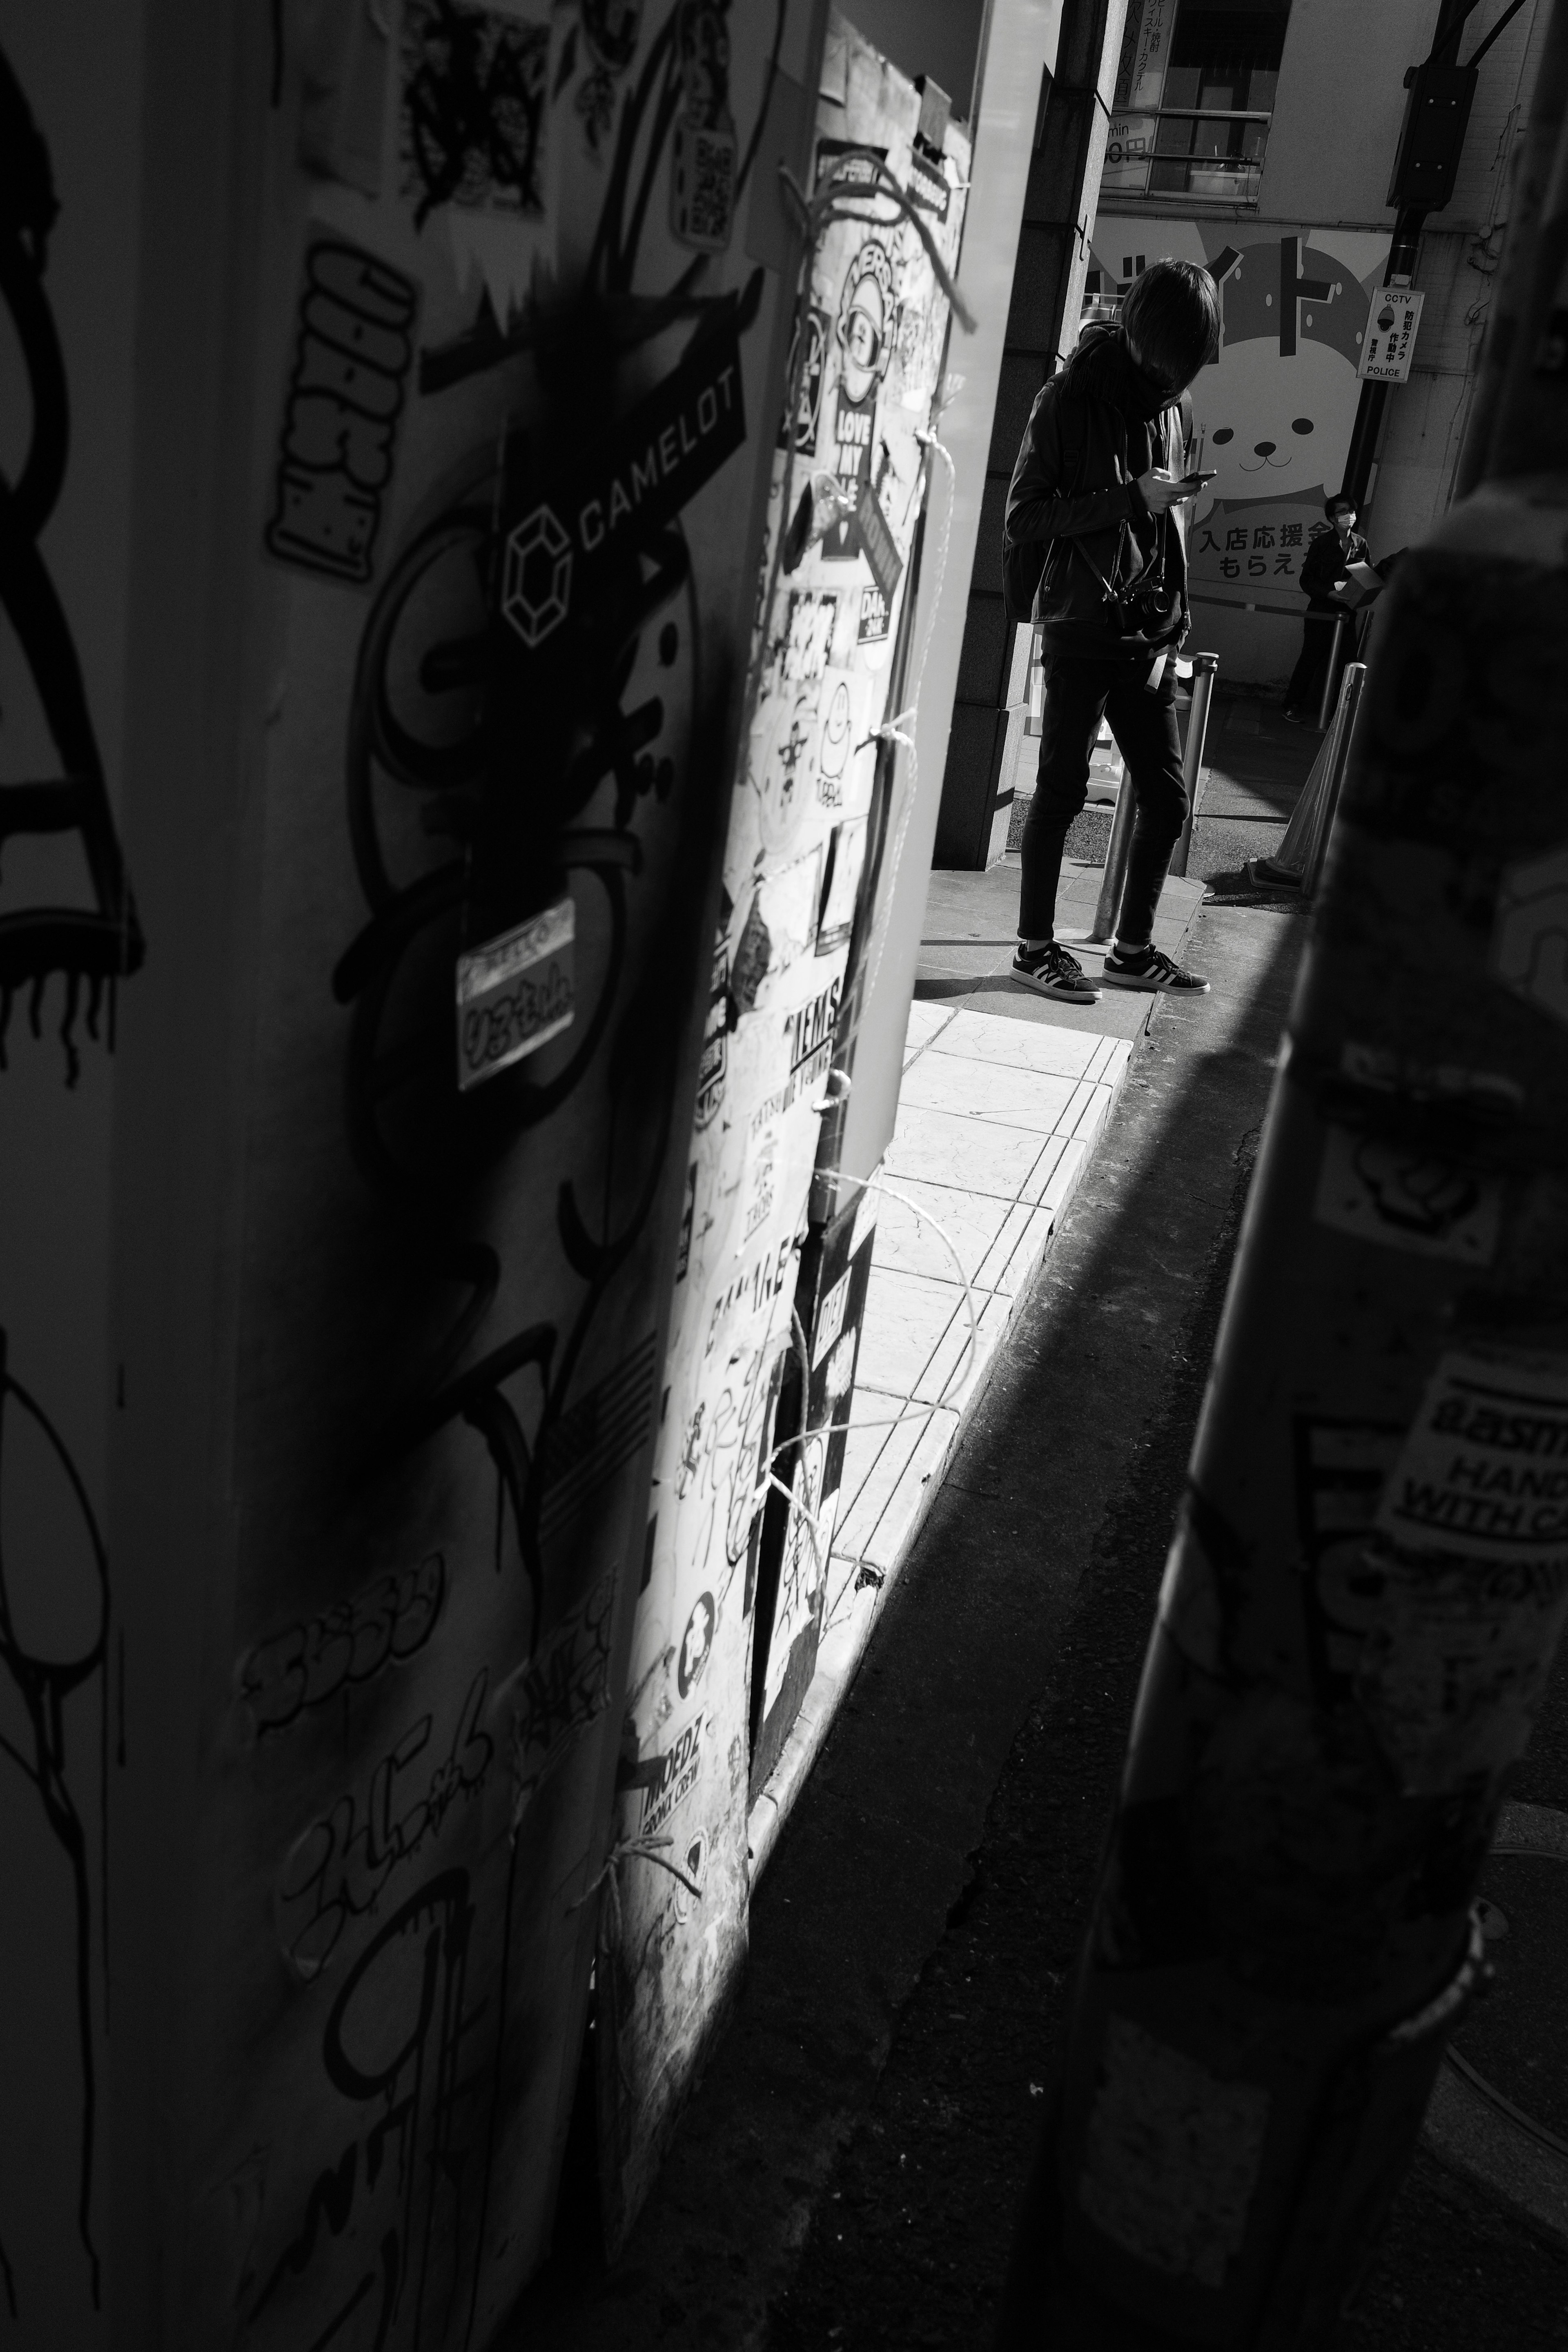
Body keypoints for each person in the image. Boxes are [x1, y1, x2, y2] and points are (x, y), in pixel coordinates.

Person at [1002, 261, 1220, 1004]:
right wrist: (1131, 498)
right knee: (1061, 792)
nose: (1175, 379)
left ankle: (1130, 951)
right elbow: (1024, 518)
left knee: (1166, 798)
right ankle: (1034, 950)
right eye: (1170, 361)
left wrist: (1178, 619)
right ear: (1138, 334)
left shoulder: (1173, 407)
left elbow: (1170, 527)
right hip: (1082, 623)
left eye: (1187, 367)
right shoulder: (1068, 398)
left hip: (1149, 629)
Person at [1284, 493, 1370, 724]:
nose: (1348, 516)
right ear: (1332, 518)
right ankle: (1292, 705)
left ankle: (1338, 714)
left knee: (1347, 664)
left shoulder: (1361, 544)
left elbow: (1366, 577)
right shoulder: (1322, 543)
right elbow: (1307, 580)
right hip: (1321, 611)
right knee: (1310, 659)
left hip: (1347, 614)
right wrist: (1329, 593)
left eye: (1350, 511)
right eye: (1341, 512)